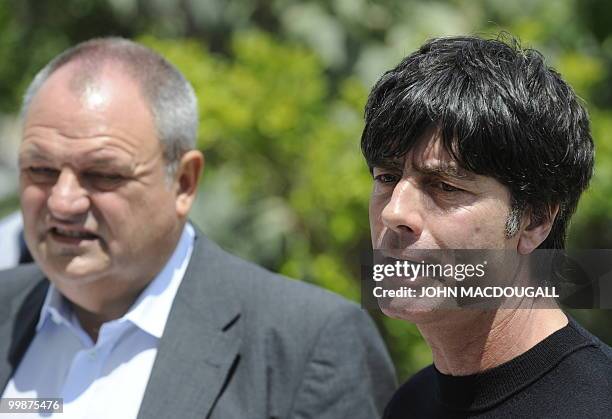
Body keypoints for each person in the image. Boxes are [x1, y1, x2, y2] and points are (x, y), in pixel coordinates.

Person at [0, 37, 396, 419]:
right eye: (41, 170)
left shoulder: (306, 344)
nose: (63, 201)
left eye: (102, 174)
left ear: (184, 182)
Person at [361, 35, 612, 418]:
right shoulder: (409, 404)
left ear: (536, 218)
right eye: (386, 178)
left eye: (445, 186)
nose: (395, 212)